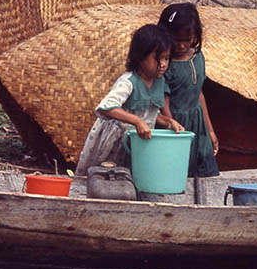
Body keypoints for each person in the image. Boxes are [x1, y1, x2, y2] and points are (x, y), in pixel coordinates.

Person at [75, 24, 184, 176]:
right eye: (158, 59)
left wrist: (168, 122)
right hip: (114, 143)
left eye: (166, 58)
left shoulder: (159, 82)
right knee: (104, 177)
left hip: (136, 144)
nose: (164, 64)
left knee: (128, 178)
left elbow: (149, 113)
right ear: (140, 57)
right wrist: (137, 121)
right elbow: (107, 107)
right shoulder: (128, 82)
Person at [157, 3, 220, 177]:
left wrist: (210, 131)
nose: (182, 45)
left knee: (204, 173)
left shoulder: (197, 57)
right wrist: (173, 131)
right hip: (176, 127)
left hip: (198, 126)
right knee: (176, 173)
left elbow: (198, 93)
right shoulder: (165, 65)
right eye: (177, 40)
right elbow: (164, 102)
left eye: (187, 40)